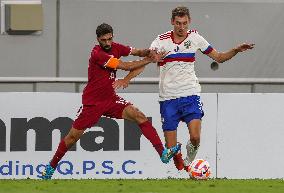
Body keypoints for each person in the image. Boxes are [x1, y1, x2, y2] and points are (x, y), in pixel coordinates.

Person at [116, 6, 254, 172]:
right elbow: (144, 62)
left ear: (189, 22)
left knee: (195, 138)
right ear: (172, 22)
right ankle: (181, 161)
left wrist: (235, 50)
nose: (182, 27)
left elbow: (219, 57)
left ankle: (189, 161)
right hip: (168, 99)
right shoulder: (160, 41)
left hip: (190, 94)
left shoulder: (195, 37)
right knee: (171, 150)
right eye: (178, 23)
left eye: (185, 23)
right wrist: (126, 79)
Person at [40, 23, 181, 179]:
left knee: (139, 116)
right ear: (98, 39)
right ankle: (50, 167)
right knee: (72, 138)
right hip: (93, 103)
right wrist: (149, 59)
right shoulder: (97, 54)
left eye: (109, 39)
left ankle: (163, 153)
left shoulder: (116, 47)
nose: (107, 43)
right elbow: (126, 66)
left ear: (112, 36)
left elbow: (136, 51)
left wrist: (149, 52)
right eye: (103, 40)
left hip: (110, 99)